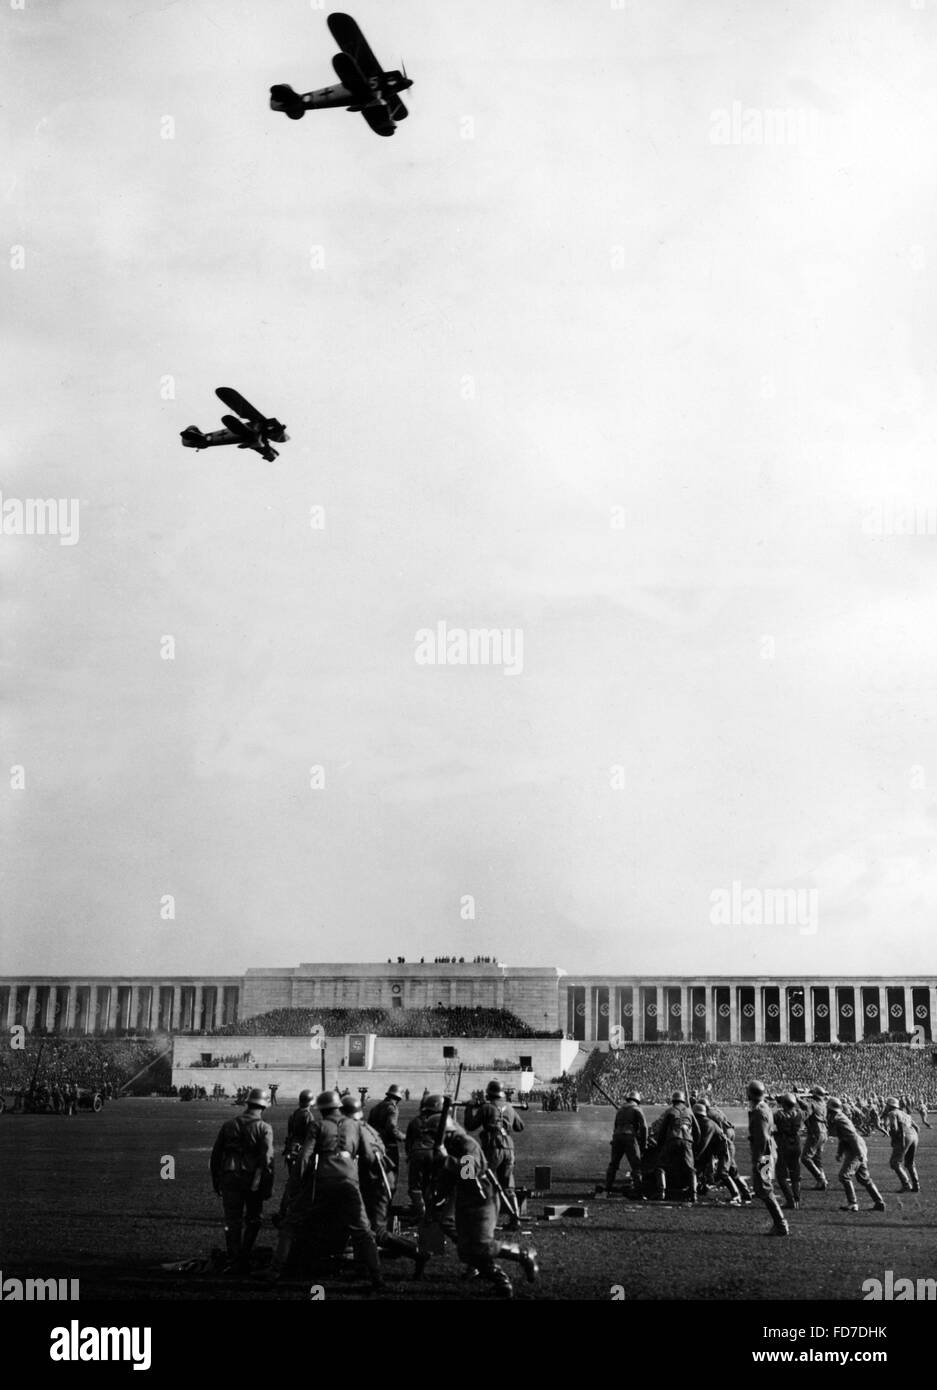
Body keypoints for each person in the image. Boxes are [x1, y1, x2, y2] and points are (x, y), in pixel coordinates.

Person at [267, 1090, 383, 1292]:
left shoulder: (317, 1125)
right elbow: (369, 1157)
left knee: (291, 1224)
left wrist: (295, 1185)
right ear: (339, 1106)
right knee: (363, 1230)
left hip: (322, 1180)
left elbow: (304, 1157)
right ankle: (377, 1276)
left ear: (322, 1109)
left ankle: (275, 1271)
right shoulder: (355, 1125)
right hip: (349, 1180)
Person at [433, 1112, 538, 1299]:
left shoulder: (467, 1144)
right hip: (466, 1199)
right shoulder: (449, 1147)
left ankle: (523, 1255)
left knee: (482, 1246)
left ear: (446, 1133)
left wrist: (445, 1160)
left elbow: (468, 1173)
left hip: (482, 1198)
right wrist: (438, 1195)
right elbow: (448, 1178)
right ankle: (502, 1282)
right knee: (466, 1251)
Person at [341, 1094, 421, 1268]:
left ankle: (416, 1252)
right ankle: (361, 1258)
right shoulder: (367, 1128)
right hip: (378, 1179)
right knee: (361, 1223)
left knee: (378, 1232)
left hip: (377, 1182)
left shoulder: (358, 1127)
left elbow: (366, 1157)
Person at [210, 1086, 275, 1273]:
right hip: (251, 1178)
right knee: (254, 1219)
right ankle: (243, 1255)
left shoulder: (229, 1124)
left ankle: (233, 1255)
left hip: (229, 1175)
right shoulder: (264, 1128)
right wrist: (267, 1185)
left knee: (232, 1220)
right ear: (263, 1107)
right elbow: (268, 1160)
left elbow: (216, 1155)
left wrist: (216, 1179)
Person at [464, 1079, 525, 1228]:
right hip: (509, 1148)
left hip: (493, 1147)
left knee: (485, 1182)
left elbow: (470, 1126)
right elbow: (520, 1126)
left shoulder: (486, 1107)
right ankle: (515, 1218)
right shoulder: (510, 1107)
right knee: (508, 1185)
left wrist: (469, 1109)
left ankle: (485, 1218)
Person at [826, 1097, 886, 1213]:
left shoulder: (839, 1119)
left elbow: (852, 1136)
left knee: (844, 1176)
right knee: (864, 1178)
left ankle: (853, 1203)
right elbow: (843, 1138)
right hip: (857, 1147)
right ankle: (879, 1202)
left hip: (855, 1148)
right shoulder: (838, 1118)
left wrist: (859, 1154)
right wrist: (840, 1152)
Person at [746, 1080, 789, 1236]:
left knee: (764, 1188)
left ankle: (781, 1224)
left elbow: (762, 1138)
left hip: (765, 1154)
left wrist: (759, 1159)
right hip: (769, 1151)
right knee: (762, 1188)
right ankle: (780, 1224)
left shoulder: (758, 1111)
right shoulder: (764, 1107)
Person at [653, 1091, 700, 1203]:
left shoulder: (670, 1111)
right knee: (690, 1169)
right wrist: (695, 1145)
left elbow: (663, 1130)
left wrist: (659, 1146)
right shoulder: (689, 1111)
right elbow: (698, 1131)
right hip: (687, 1140)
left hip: (673, 1140)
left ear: (673, 1101)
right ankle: (694, 1194)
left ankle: (661, 1192)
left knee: (661, 1166)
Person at [405, 1093, 446, 1218]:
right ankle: (432, 1211)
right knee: (433, 1182)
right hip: (434, 1153)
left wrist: (410, 1155)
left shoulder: (415, 1121)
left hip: (417, 1153)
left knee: (415, 1185)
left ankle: (421, 1212)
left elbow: (409, 1142)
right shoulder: (441, 1121)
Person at [603, 1090, 648, 1198]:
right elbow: (644, 1127)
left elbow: (615, 1126)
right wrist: (644, 1142)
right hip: (629, 1137)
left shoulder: (620, 1110)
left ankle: (607, 1188)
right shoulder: (637, 1109)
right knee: (636, 1166)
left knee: (613, 1164)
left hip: (617, 1137)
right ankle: (639, 1192)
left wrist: (614, 1139)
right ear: (637, 1100)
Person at [773, 1094, 805, 1210]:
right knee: (795, 1174)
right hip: (796, 1143)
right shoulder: (799, 1113)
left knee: (781, 1175)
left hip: (783, 1143)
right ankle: (797, 1199)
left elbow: (772, 1122)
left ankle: (790, 1200)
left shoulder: (779, 1114)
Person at [882, 1097, 920, 1193]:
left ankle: (906, 1185)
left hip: (904, 1136)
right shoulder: (905, 1114)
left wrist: (895, 1140)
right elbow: (917, 1127)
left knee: (895, 1162)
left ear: (890, 1106)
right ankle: (916, 1185)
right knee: (910, 1163)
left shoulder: (892, 1113)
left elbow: (894, 1128)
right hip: (914, 1135)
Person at [368, 1085, 406, 1174]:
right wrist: (403, 1137)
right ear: (399, 1097)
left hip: (375, 1144)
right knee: (390, 1173)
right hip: (388, 1145)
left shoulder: (375, 1107)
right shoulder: (392, 1108)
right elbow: (392, 1128)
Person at [801, 1086, 829, 1191]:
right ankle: (822, 1180)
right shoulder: (823, 1104)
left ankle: (820, 1178)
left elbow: (806, 1115)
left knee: (805, 1158)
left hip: (815, 1132)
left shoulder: (812, 1104)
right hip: (823, 1132)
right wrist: (801, 1102)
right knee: (817, 1159)